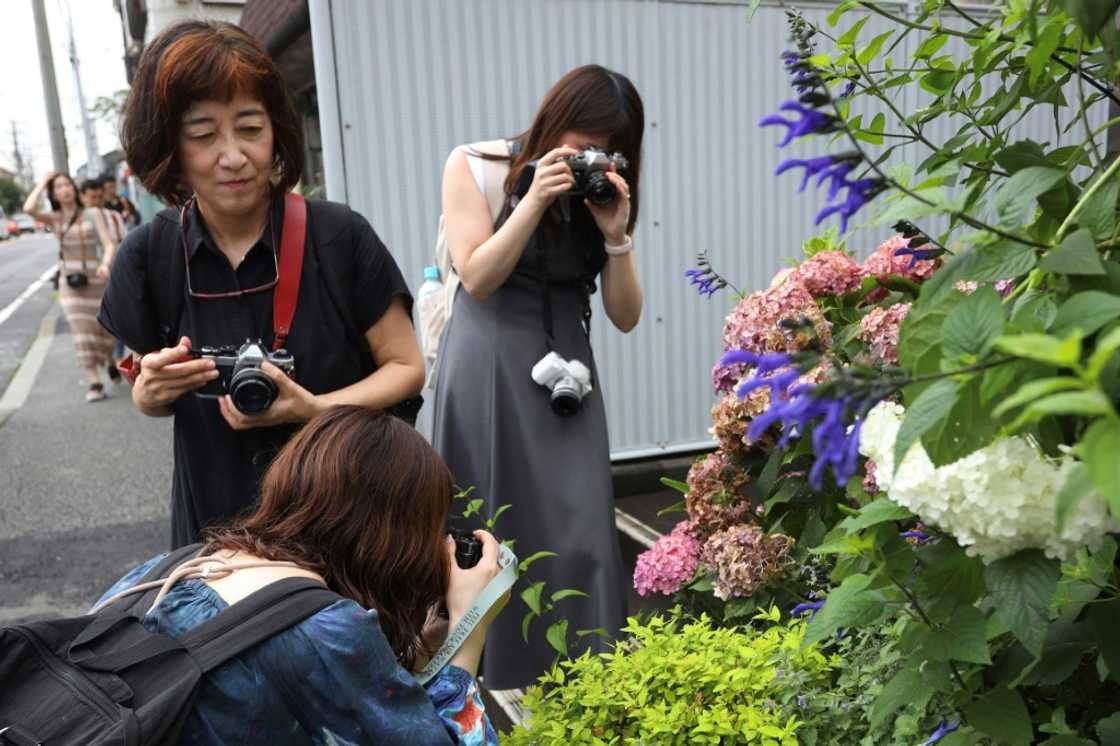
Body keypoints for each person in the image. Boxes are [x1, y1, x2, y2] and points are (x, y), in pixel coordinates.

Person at [98, 20, 425, 549]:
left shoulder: (339, 236)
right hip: (215, 527)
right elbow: (148, 388)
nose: (233, 156)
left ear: (276, 131)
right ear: (170, 148)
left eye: (250, 128)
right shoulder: (149, 255)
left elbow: (407, 368)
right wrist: (151, 393)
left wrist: (314, 409)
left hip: (348, 520)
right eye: (203, 135)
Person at [94, 406, 504, 745]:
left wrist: (418, 655)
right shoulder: (323, 628)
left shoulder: (171, 568)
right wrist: (470, 632)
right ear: (395, 537)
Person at [432, 64, 645, 689]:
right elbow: (477, 275)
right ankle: (478, 677)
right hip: (489, 362)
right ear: (552, 121)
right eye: (579, 145)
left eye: (605, 150)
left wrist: (615, 237)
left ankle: (589, 676)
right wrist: (533, 201)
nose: (588, 161)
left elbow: (626, 317)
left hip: (566, 372)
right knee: (489, 521)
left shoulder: (601, 191)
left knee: (581, 524)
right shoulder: (476, 165)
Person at [24, 171, 119, 402]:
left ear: (74, 189)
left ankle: (110, 360)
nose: (65, 189)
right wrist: (44, 181)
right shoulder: (54, 218)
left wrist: (106, 264)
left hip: (96, 278)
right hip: (70, 283)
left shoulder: (92, 213)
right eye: (58, 187)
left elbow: (109, 244)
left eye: (67, 184)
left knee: (103, 330)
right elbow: (28, 209)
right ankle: (94, 381)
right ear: (54, 194)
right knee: (80, 330)